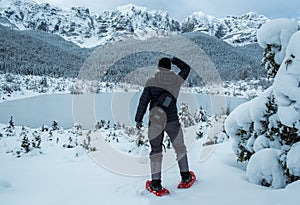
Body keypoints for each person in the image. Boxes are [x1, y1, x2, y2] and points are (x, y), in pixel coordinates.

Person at [135, 57, 196, 194]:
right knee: (180, 148)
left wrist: (138, 119)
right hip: (172, 120)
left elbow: (143, 103)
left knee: (156, 151)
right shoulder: (176, 80)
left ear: (158, 67)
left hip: (155, 122)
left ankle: (156, 184)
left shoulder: (151, 82)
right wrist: (174, 59)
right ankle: (186, 177)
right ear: (169, 67)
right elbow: (186, 68)